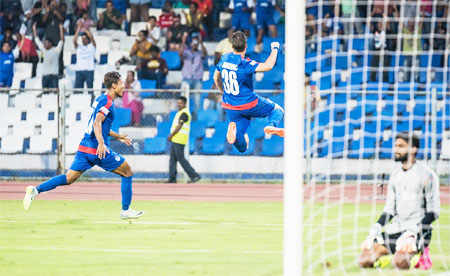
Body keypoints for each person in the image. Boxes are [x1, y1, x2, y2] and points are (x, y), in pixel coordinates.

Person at [23, 71, 145, 220]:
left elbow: (100, 125)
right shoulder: (108, 103)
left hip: (84, 147)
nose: (123, 86)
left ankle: (35, 190)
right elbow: (97, 122)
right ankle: (125, 211)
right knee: (127, 172)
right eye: (120, 84)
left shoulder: (100, 99)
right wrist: (101, 143)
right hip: (97, 149)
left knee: (69, 178)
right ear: (114, 85)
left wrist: (118, 136)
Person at [358, 132, 440, 270]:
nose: (396, 149)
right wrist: (377, 227)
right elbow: (390, 210)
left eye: (401, 146)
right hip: (396, 229)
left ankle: (422, 254)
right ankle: (389, 257)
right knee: (363, 261)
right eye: (395, 146)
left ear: (413, 149)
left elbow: (434, 212)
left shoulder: (427, 175)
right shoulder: (395, 175)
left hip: (417, 231)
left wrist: (414, 231)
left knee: (400, 263)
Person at [213, 31, 285, 153]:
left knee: (243, 146)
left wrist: (224, 93)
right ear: (246, 45)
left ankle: (234, 134)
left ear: (232, 46)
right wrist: (275, 48)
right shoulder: (245, 64)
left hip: (230, 105)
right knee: (277, 109)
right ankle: (271, 125)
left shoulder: (224, 58)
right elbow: (268, 66)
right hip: (249, 103)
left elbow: (215, 78)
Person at [167, 96, 201, 184]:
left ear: (185, 104)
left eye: (180, 103)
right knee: (173, 160)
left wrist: (171, 135)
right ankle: (172, 178)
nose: (178, 104)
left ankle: (194, 175)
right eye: (177, 103)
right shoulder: (180, 112)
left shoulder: (184, 113)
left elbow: (179, 126)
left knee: (181, 159)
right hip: (176, 139)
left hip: (179, 139)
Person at [179, 33, 207, 113]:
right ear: (190, 44)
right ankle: (182, 114)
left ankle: (196, 117)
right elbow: (180, 54)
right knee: (183, 97)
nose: (194, 44)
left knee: (197, 99)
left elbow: (205, 54)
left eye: (196, 43)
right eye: (193, 43)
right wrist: (183, 42)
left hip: (197, 78)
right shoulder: (186, 52)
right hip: (186, 77)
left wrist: (201, 42)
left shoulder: (200, 53)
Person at [33, 22, 64, 90]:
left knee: (55, 93)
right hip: (45, 76)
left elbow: (61, 40)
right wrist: (34, 29)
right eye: (44, 43)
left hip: (54, 76)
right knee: (45, 94)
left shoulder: (56, 50)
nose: (44, 44)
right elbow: (36, 39)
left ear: (50, 43)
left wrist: (61, 29)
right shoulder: (43, 49)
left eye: (46, 43)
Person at [73, 24, 96, 90]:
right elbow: (74, 40)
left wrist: (84, 29)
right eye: (82, 39)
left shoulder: (91, 47)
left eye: (85, 39)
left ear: (88, 40)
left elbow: (92, 38)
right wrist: (78, 29)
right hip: (79, 71)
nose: (84, 40)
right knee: (77, 91)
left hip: (89, 71)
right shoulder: (79, 47)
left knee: (90, 90)